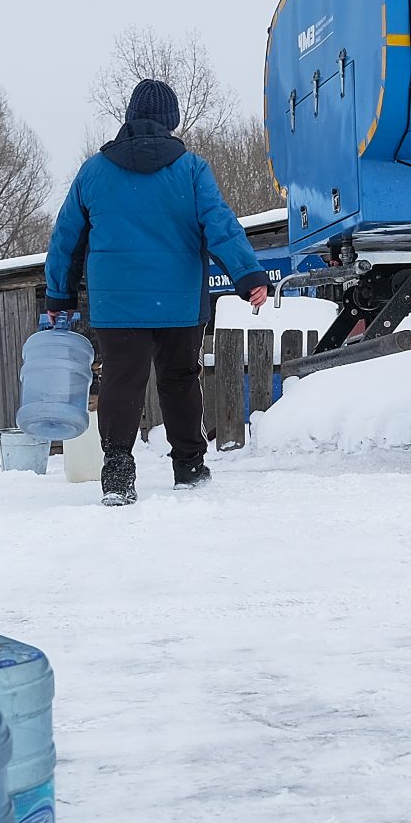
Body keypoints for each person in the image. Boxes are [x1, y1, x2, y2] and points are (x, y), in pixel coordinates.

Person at [41, 78, 270, 505]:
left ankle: (118, 471)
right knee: (181, 380)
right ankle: (189, 467)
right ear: (172, 121)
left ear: (129, 118)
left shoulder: (94, 171)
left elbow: (66, 240)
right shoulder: (191, 169)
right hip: (179, 301)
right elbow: (220, 225)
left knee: (122, 380)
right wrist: (248, 276)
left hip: (118, 301)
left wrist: (60, 297)